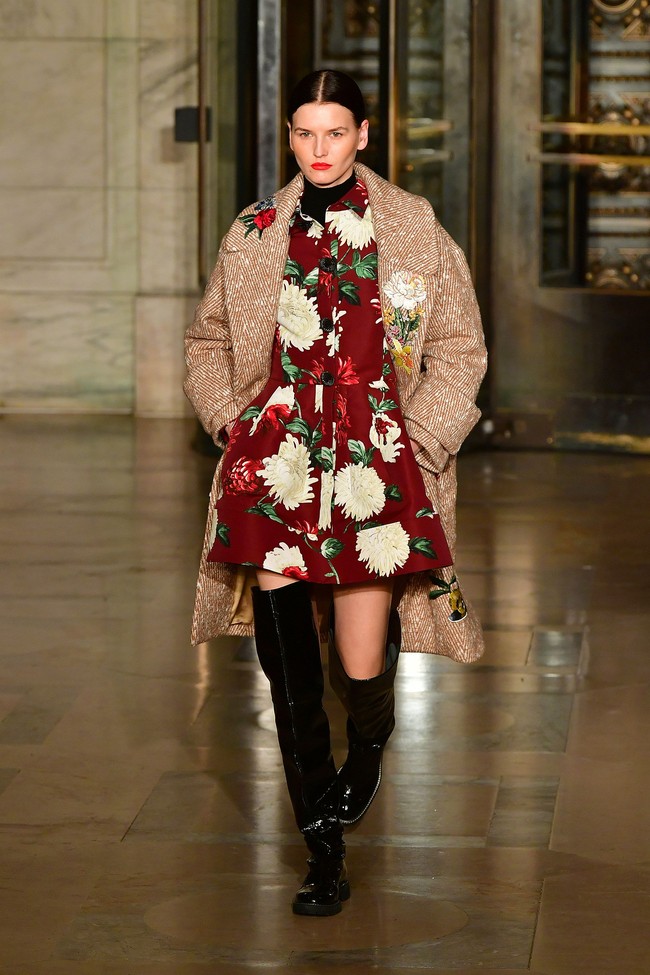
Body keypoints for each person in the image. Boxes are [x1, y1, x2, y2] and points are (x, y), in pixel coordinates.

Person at [184, 70, 487, 917]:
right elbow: (207, 339)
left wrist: (421, 442)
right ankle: (322, 850)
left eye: (333, 133)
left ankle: (371, 740)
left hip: (375, 464)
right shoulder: (256, 229)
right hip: (277, 464)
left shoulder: (411, 226)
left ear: (363, 135)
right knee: (287, 675)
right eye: (302, 134)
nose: (317, 150)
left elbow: (460, 348)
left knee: (358, 662)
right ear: (290, 135)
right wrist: (228, 424)